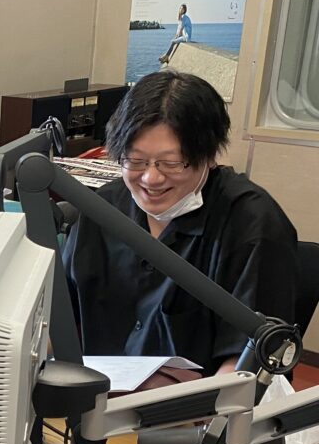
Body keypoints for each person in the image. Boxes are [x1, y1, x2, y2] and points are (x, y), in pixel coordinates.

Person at [62, 71, 297, 377]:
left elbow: (245, 368)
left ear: (209, 156)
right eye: (136, 160)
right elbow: (58, 320)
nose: (151, 178)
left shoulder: (252, 224)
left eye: (171, 163)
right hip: (98, 394)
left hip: (199, 403)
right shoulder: (102, 209)